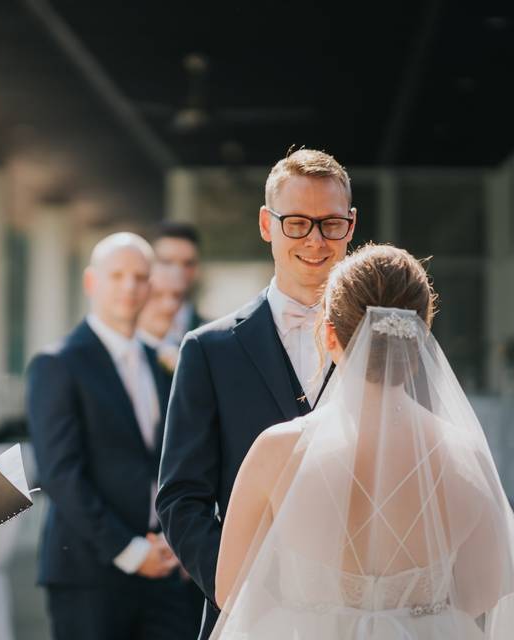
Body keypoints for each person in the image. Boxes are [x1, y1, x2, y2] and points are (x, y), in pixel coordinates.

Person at [212, 244, 514, 639]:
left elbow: (230, 589)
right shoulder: (465, 456)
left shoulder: (276, 451)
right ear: (420, 337)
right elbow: (482, 593)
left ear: (329, 335)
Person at [156, 148, 357, 638]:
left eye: (330, 223)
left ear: (351, 226)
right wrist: (238, 589)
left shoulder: (387, 345)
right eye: (297, 223)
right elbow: (181, 498)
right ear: (267, 225)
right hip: (248, 616)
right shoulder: (209, 349)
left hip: (359, 613)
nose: (315, 240)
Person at [26, 232, 201, 640]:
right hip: (90, 573)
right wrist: (131, 550)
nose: (129, 287)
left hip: (165, 568)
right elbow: (59, 474)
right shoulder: (58, 364)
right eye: (117, 275)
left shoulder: (159, 362)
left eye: (141, 277)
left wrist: (178, 542)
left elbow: (170, 462)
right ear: (91, 282)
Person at [153, 222, 206, 345]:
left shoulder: (212, 332)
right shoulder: (128, 326)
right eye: (167, 262)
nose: (177, 272)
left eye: (188, 264)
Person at [137, 264, 188, 374]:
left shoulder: (188, 350)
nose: (169, 305)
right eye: (157, 295)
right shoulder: (127, 353)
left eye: (177, 295)